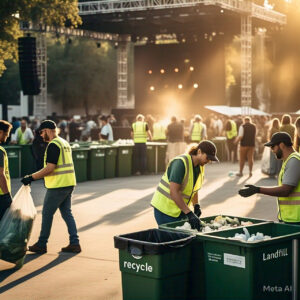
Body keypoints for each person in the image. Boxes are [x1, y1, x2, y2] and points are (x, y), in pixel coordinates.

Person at [21, 120, 81, 254]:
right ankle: (75, 243)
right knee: (67, 213)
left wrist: (31, 177)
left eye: (42, 133)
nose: (41, 136)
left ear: (47, 130)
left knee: (47, 214)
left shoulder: (53, 145)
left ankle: (42, 244)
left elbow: (50, 168)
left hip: (58, 186)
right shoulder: (64, 142)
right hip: (68, 183)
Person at [151, 140, 219, 229]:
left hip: (179, 210)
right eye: (208, 158)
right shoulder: (180, 163)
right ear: (199, 152)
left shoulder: (199, 167)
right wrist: (189, 213)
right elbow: (174, 192)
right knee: (173, 240)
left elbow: (194, 188)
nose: (209, 161)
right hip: (165, 210)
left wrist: (196, 205)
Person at [239, 132, 300, 224]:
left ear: (282, 145)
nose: (272, 150)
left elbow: (285, 190)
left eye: (273, 147)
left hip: (296, 220)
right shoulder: (288, 161)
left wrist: (258, 190)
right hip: (290, 218)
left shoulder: (294, 161)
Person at [0, 120, 13, 221]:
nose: (7, 136)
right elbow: (0, 175)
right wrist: (7, 196)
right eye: (6, 134)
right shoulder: (0, 151)